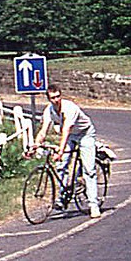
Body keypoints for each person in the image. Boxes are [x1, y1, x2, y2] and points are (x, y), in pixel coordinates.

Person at [30, 86, 101, 218]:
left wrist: (61, 151)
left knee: (88, 170)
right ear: (48, 99)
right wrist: (35, 145)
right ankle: (63, 197)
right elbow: (43, 130)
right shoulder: (49, 111)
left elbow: (66, 129)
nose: (56, 100)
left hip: (84, 133)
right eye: (53, 98)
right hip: (70, 136)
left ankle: (93, 204)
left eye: (58, 96)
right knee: (61, 165)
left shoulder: (69, 108)